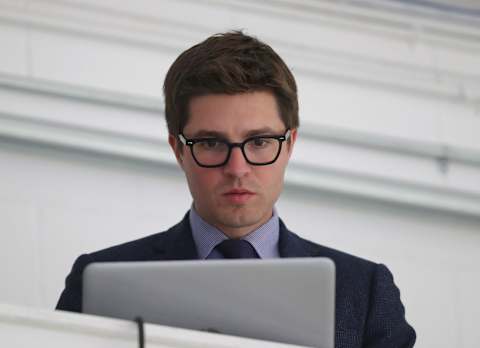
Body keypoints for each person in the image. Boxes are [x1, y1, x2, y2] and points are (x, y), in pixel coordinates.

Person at [56, 31, 416, 347]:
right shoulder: (96, 281)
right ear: (178, 149)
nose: (237, 169)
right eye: (211, 143)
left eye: (259, 142)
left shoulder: (365, 292)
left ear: (289, 144)